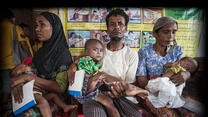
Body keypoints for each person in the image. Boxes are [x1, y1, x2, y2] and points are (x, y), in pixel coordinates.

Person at [68, 9, 149, 117]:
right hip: (95, 93)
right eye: (112, 24)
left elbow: (128, 82)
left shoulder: (131, 54)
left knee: (135, 115)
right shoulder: (98, 50)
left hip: (120, 94)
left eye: (120, 24)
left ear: (126, 28)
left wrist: (115, 88)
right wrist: (72, 66)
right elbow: (82, 63)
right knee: (96, 114)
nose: (116, 27)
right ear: (107, 29)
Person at [9, 12, 77, 117]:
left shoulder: (63, 54)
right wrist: (19, 83)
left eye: (42, 24)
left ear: (54, 28)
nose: (36, 29)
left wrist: (28, 78)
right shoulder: (41, 52)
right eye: (36, 25)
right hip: (37, 94)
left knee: (25, 114)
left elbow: (60, 87)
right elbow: (28, 71)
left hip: (56, 99)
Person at [136, 16, 199, 117]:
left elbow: (185, 69)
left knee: (192, 112)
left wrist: (185, 74)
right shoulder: (144, 52)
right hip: (151, 92)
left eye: (174, 32)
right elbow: (141, 80)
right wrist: (159, 84)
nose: (171, 36)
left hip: (174, 89)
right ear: (155, 33)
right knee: (168, 115)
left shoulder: (177, 50)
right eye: (166, 32)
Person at [73, 39, 148, 117]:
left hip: (105, 91)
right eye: (95, 50)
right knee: (108, 103)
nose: (99, 52)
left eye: (101, 50)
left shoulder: (130, 54)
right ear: (87, 52)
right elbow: (89, 73)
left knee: (112, 104)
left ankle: (130, 89)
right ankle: (132, 89)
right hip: (87, 93)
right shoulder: (86, 61)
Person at [11, 64, 77, 115]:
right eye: (24, 66)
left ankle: (64, 106)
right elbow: (14, 77)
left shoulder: (33, 73)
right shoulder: (23, 75)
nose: (27, 66)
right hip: (32, 94)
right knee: (43, 102)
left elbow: (39, 83)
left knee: (53, 95)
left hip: (39, 93)